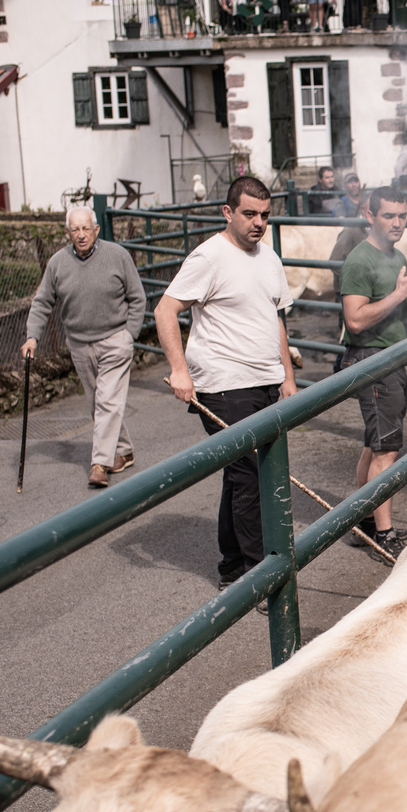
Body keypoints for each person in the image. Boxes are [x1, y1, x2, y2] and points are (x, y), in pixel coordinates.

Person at [155, 177, 297, 590]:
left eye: (265, 215)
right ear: (228, 212)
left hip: (265, 381)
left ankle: (232, 564)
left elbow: (275, 318)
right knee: (250, 475)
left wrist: (287, 376)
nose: (258, 223)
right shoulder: (208, 257)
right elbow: (165, 310)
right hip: (224, 385)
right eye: (249, 214)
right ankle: (258, 575)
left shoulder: (269, 258)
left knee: (243, 474)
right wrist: (179, 369)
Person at [338, 187, 407, 560]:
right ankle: (384, 534)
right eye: (389, 216)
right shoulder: (359, 262)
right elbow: (355, 320)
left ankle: (364, 521)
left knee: (374, 443)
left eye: (402, 216)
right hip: (373, 361)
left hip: (392, 359)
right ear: (369, 216)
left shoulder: (396, 256)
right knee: (387, 450)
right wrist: (400, 293)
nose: (397, 223)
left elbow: (403, 314)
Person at [23, 206, 145, 489]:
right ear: (68, 232)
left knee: (107, 401)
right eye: (75, 229)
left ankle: (99, 463)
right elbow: (42, 302)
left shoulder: (117, 256)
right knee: (98, 404)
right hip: (79, 345)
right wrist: (32, 337)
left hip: (115, 340)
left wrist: (129, 335)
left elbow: (137, 298)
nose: (81, 235)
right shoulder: (58, 263)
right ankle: (123, 451)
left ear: (96, 230)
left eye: (86, 228)